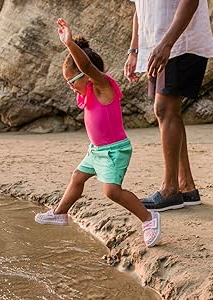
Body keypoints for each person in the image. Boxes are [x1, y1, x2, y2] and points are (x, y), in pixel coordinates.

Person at [35, 18, 161, 247]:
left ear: (86, 75)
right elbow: (82, 73)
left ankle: (149, 218)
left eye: (71, 80)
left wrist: (70, 44)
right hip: (96, 151)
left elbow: (86, 67)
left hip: (114, 151)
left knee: (112, 191)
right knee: (77, 177)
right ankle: (60, 212)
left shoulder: (103, 86)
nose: (70, 85)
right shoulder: (85, 94)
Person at [124, 0, 213, 211]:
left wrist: (167, 44)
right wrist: (134, 50)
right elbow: (139, 9)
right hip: (157, 45)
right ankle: (186, 186)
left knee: (164, 109)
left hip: (180, 43)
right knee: (169, 111)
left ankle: (170, 189)